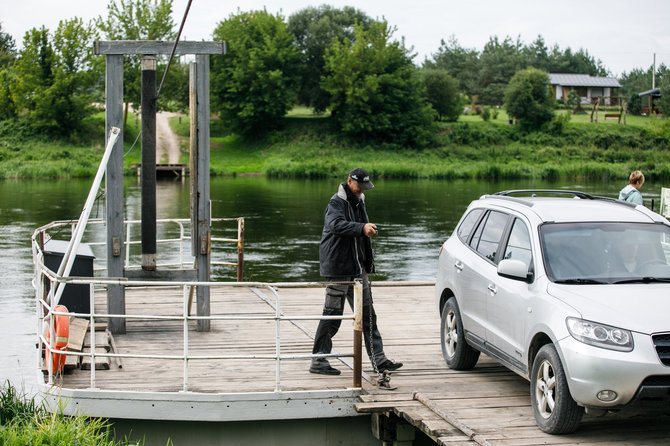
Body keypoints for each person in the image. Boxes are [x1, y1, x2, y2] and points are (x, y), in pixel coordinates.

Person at [310, 168, 403, 375]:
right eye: (359, 187)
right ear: (349, 181)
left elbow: (361, 233)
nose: (362, 191)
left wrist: (367, 264)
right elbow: (335, 225)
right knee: (332, 316)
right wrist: (361, 228)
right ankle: (318, 360)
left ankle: (379, 360)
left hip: (358, 268)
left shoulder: (359, 201)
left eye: (365, 188)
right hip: (338, 268)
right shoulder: (336, 202)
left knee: (368, 314)